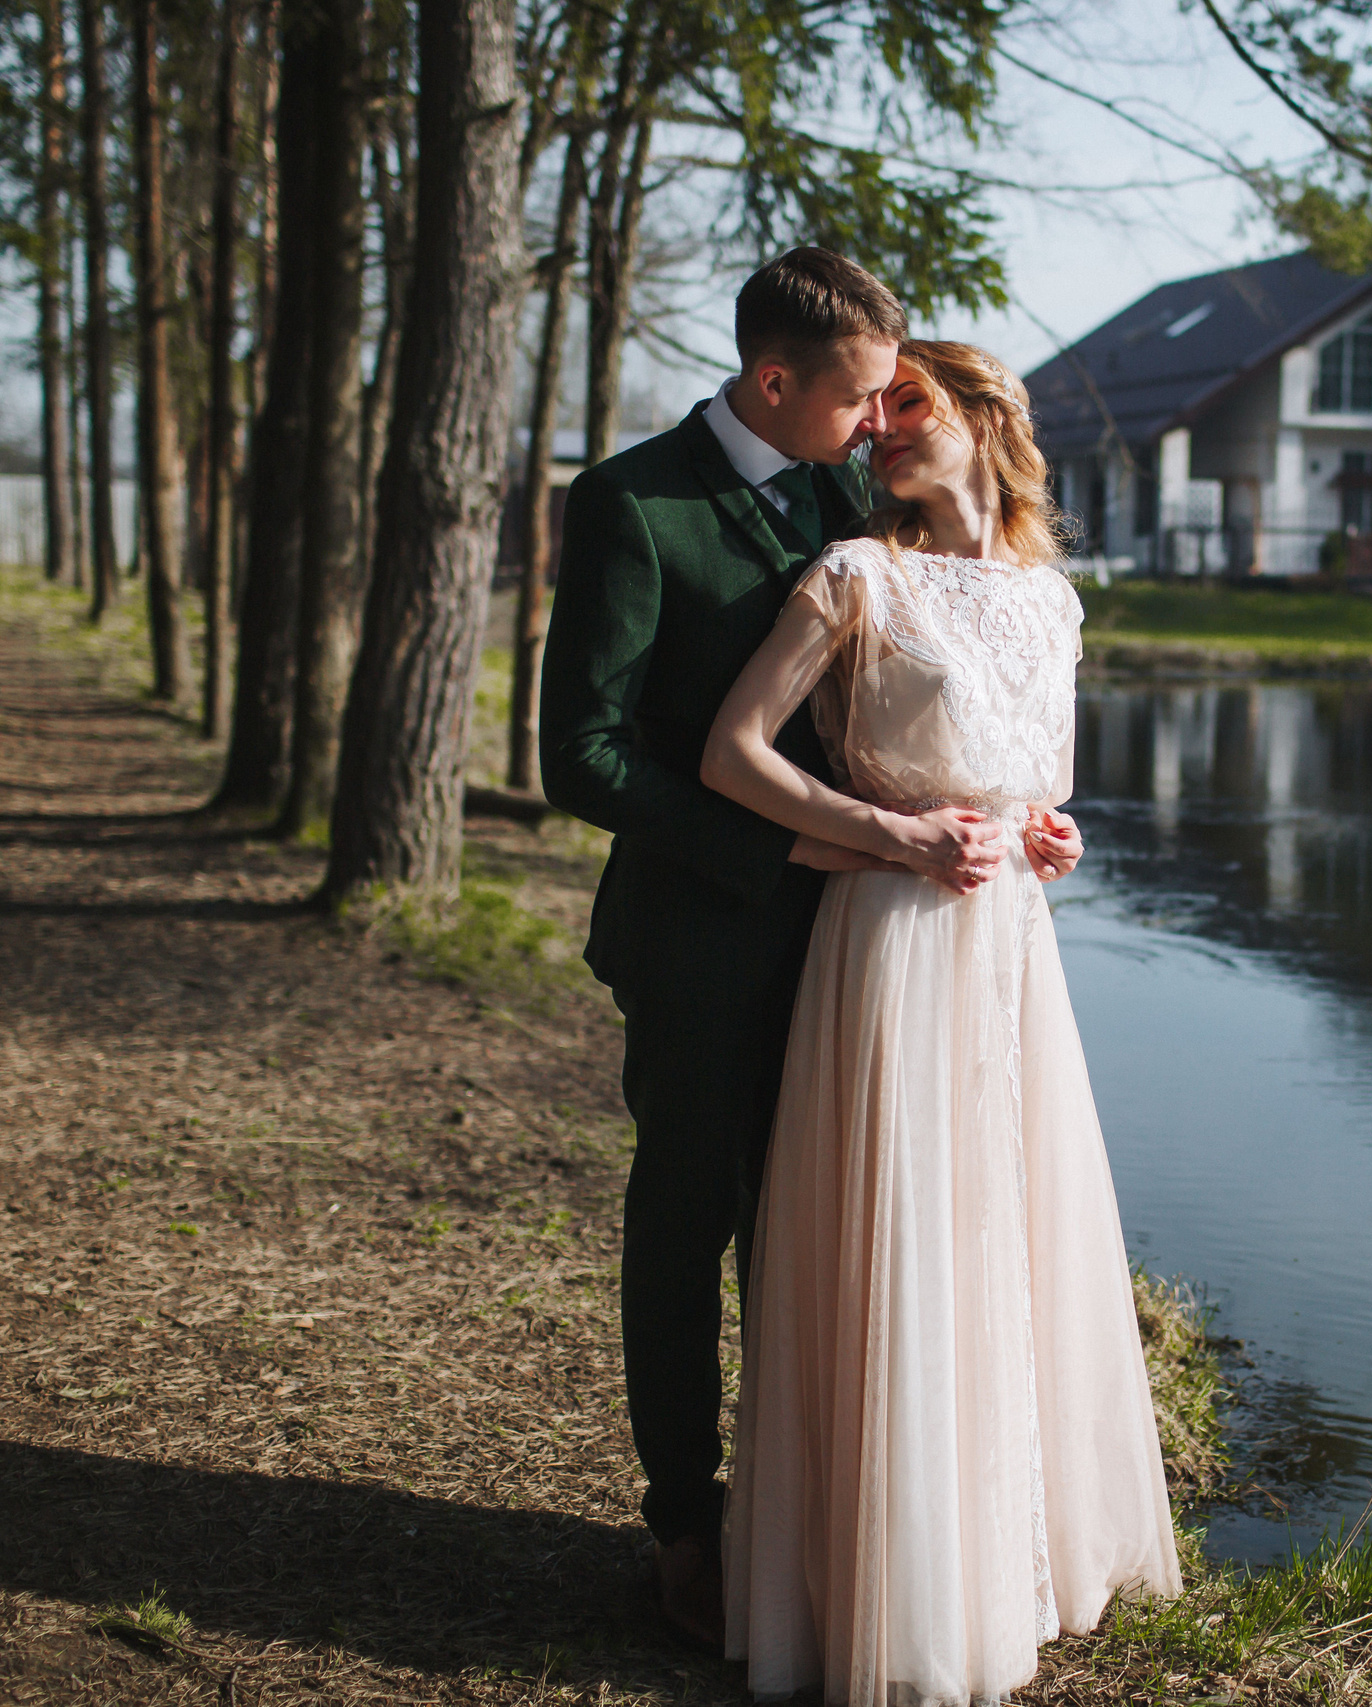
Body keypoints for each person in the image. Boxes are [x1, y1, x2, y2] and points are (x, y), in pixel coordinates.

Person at [700, 341, 1182, 1705]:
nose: (880, 429)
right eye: (870, 409)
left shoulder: (1054, 600)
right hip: (893, 946)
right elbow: (732, 753)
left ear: (986, 415)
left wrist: (1053, 834)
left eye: (909, 403)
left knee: (1005, 1243)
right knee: (906, 1244)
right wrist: (889, 835)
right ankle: (888, 1595)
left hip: (1014, 958)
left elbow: (1026, 780)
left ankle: (1003, 1564)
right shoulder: (858, 576)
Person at [538, 250, 1007, 1650]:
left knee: (824, 1238)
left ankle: (812, 1521)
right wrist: (775, 849)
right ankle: (686, 1520)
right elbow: (583, 755)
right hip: (702, 938)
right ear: (773, 380)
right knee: (691, 1226)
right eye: (862, 394)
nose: (880, 421)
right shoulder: (633, 505)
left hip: (867, 948)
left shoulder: (850, 497)